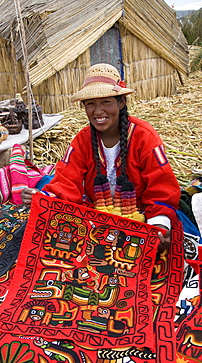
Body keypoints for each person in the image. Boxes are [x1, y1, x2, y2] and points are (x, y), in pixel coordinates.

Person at [21, 63, 181, 251]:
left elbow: (161, 187)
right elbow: (66, 180)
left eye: (106, 102)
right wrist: (41, 197)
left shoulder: (145, 137)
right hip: (96, 215)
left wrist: (159, 226)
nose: (98, 111)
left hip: (141, 216)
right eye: (91, 104)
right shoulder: (82, 140)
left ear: (121, 103)